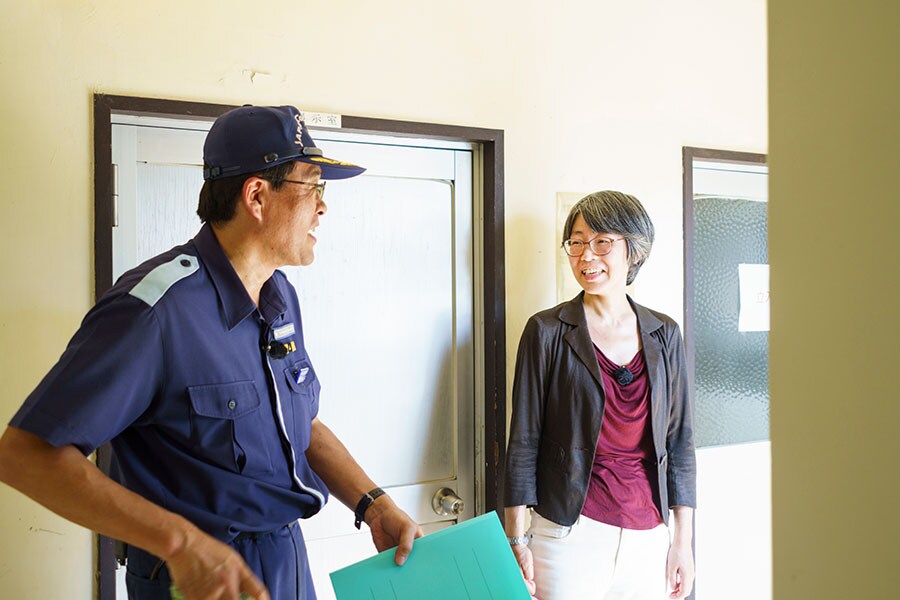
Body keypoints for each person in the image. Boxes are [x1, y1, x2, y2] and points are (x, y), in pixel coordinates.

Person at [0, 105, 422, 600]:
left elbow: (298, 423)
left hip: (286, 561)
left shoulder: (278, 296)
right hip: (200, 578)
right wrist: (180, 544)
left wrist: (372, 503)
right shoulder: (155, 312)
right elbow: (24, 455)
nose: (324, 208)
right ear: (257, 196)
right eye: (314, 188)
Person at [504, 190, 696, 600]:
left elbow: (680, 444)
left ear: (634, 250)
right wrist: (516, 541)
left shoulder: (664, 335)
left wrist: (682, 540)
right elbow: (523, 442)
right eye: (576, 243)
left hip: (648, 535)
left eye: (602, 242)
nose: (586, 256)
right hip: (567, 535)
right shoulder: (547, 332)